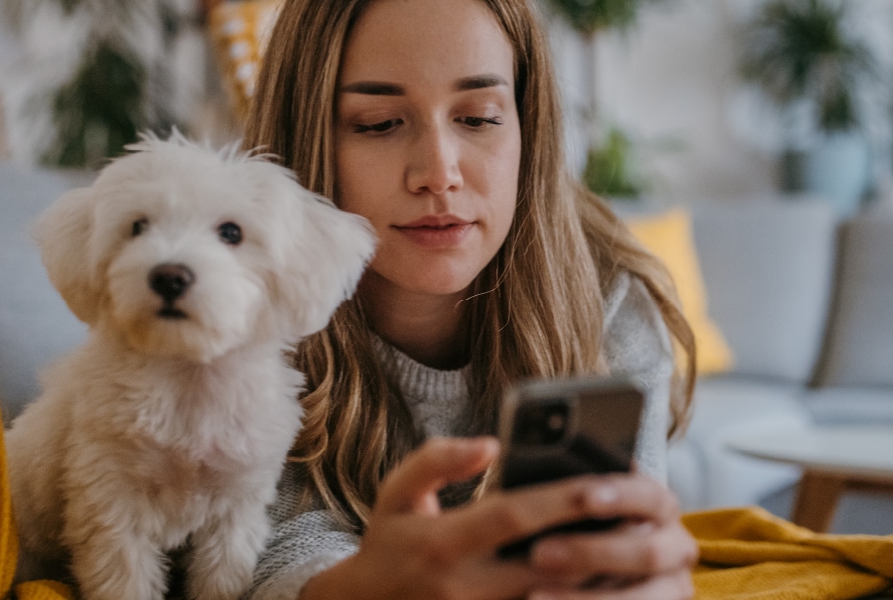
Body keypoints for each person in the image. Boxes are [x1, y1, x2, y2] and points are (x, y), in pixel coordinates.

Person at [241, 0, 700, 598]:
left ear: (526, 128)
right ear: (304, 142)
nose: (439, 172)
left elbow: (618, 543)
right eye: (379, 122)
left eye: (479, 117)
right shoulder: (234, 310)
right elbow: (271, 551)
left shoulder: (608, 297)